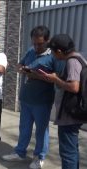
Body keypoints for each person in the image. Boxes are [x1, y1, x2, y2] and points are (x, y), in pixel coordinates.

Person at [2, 26, 63, 169]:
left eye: (40, 43)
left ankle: (39, 157)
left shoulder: (53, 56)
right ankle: (19, 152)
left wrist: (37, 76)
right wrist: (21, 69)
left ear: (47, 41)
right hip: (26, 98)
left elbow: (59, 79)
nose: (36, 46)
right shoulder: (31, 51)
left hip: (42, 101)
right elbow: (20, 64)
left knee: (41, 130)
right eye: (34, 43)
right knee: (24, 128)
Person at [41, 34, 87, 169]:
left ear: (59, 51)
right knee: (72, 150)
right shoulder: (80, 58)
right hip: (75, 113)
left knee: (67, 153)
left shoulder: (72, 61)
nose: (53, 55)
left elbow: (74, 87)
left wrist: (56, 79)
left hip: (70, 115)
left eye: (53, 52)